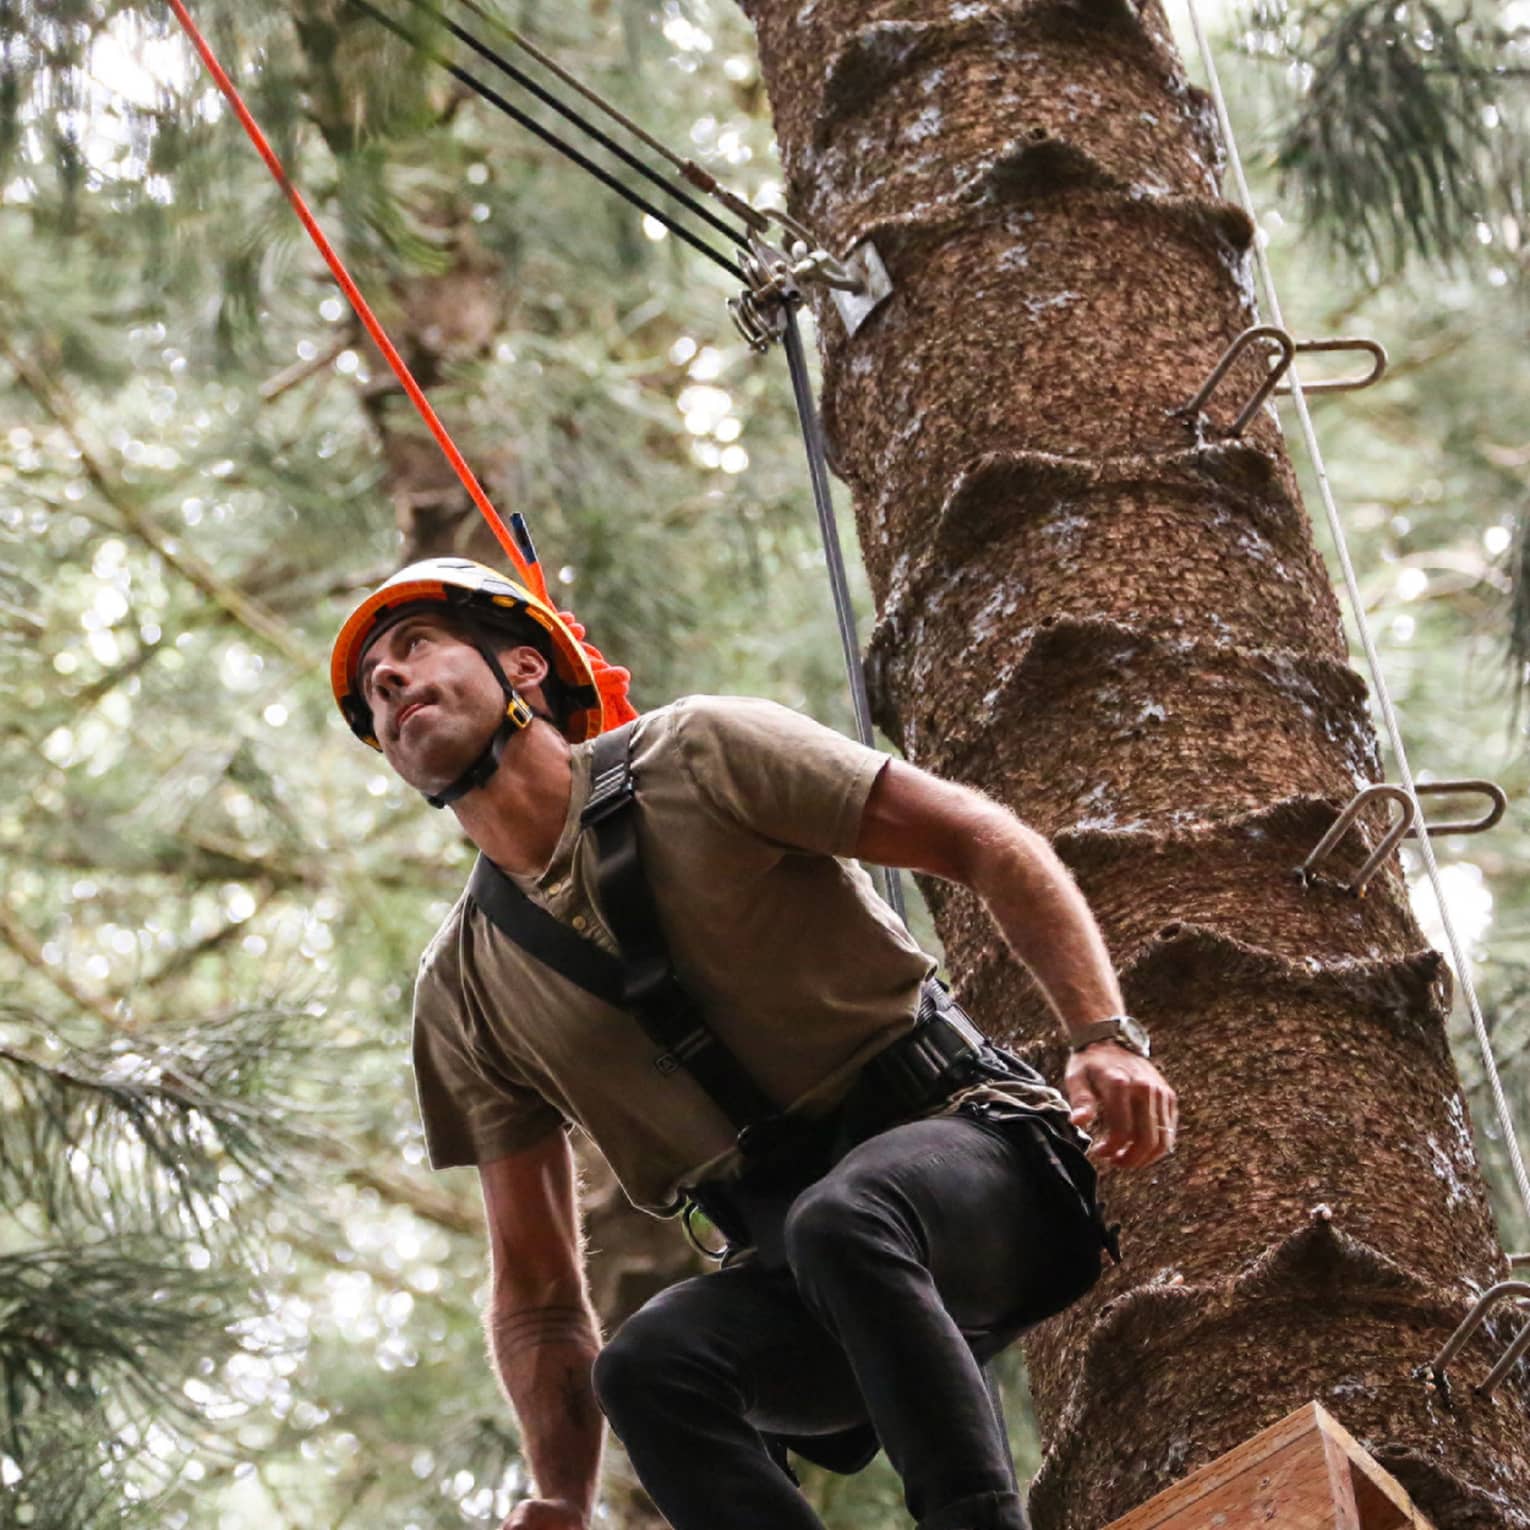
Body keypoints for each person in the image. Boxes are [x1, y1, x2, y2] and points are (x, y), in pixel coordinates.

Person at [330, 557, 1178, 1530]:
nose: (388, 683)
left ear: (524, 668)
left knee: (846, 1219)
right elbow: (536, 1290)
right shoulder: (465, 988)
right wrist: (560, 1496)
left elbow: (981, 840)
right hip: (799, 1264)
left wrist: (1104, 1035)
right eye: (369, 693)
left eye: (415, 646)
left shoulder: (699, 755)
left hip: (979, 1163)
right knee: (648, 1370)